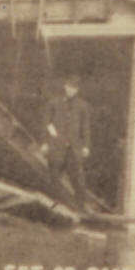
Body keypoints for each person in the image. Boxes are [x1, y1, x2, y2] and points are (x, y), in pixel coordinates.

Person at [40, 74, 91, 211]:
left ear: (77, 90)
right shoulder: (54, 103)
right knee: (55, 176)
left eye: (74, 88)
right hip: (57, 146)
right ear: (65, 86)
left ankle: (81, 206)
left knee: (77, 178)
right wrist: (45, 142)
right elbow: (47, 123)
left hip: (73, 148)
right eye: (69, 87)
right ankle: (56, 204)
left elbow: (85, 128)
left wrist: (86, 146)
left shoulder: (83, 106)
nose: (70, 90)